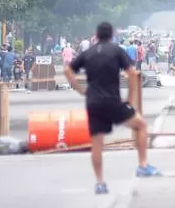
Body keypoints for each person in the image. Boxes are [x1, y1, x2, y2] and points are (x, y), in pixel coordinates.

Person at [64, 22, 160, 195]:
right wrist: (130, 98)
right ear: (112, 35)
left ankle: (100, 183)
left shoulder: (88, 53)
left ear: (96, 35)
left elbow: (68, 70)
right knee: (141, 125)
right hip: (112, 101)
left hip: (93, 102)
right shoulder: (116, 51)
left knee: (97, 143)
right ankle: (143, 165)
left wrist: (80, 89)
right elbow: (132, 73)